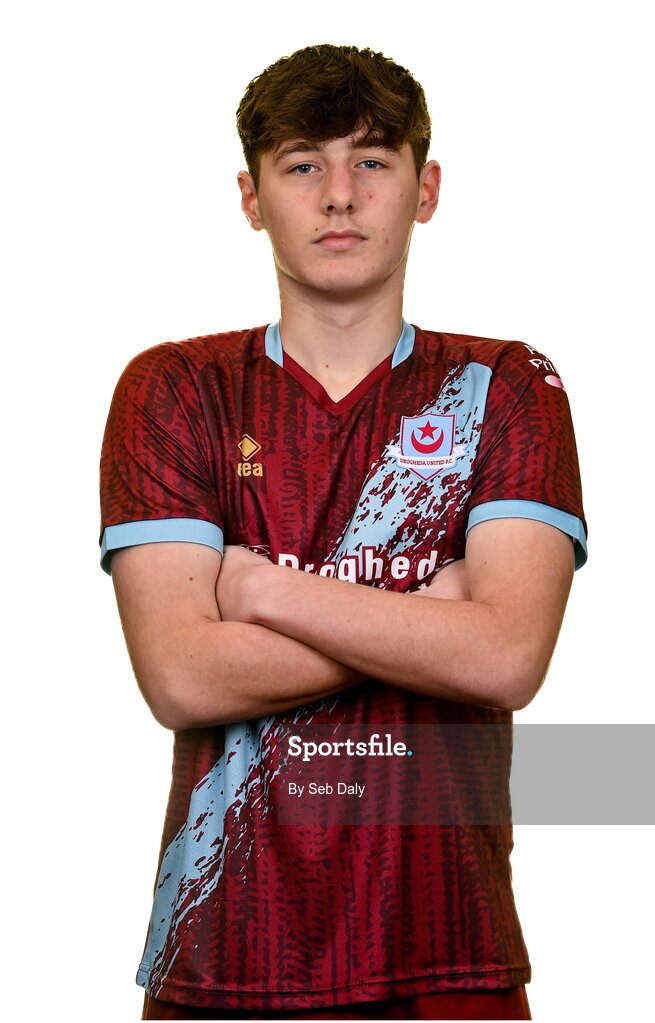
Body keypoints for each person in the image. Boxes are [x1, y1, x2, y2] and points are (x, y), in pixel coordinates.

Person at [98, 43, 587, 1021]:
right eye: (300, 163)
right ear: (251, 197)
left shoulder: (506, 387)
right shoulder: (174, 389)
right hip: (223, 957)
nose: (337, 195)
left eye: (371, 160)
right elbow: (181, 677)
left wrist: (266, 590)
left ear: (425, 188)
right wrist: (426, 620)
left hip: (448, 956)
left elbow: (505, 658)